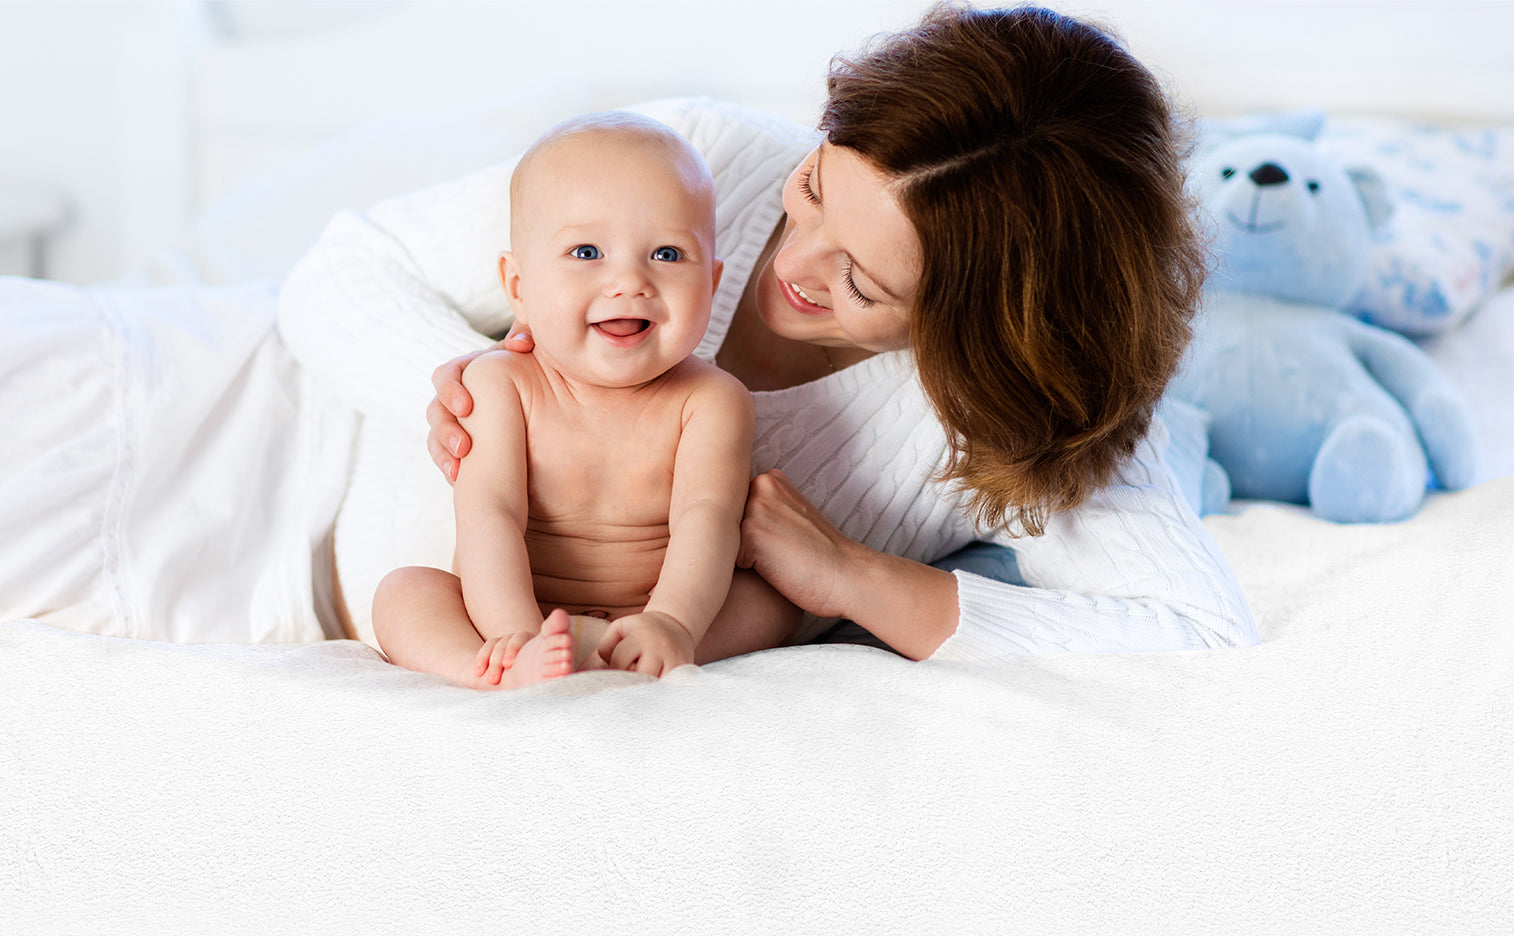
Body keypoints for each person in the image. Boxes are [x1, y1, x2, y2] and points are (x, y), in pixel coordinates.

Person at [284, 3, 1256, 663]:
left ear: (983, 335)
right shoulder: (697, 161)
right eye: (814, 187)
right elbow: (345, 267)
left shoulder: (1020, 421)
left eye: (860, 281)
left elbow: (1196, 630)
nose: (795, 262)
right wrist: (470, 398)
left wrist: (855, 579)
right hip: (280, 454)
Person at [371, 113, 792, 689]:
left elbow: (707, 521)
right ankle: (495, 669)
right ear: (518, 288)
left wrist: (673, 622)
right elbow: (490, 516)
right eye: (587, 251)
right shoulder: (501, 385)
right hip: (512, 611)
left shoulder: (712, 400)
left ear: (712, 285)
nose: (630, 281)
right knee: (404, 593)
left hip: (652, 613)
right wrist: (517, 632)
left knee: (773, 602)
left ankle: (639, 651)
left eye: (668, 255)